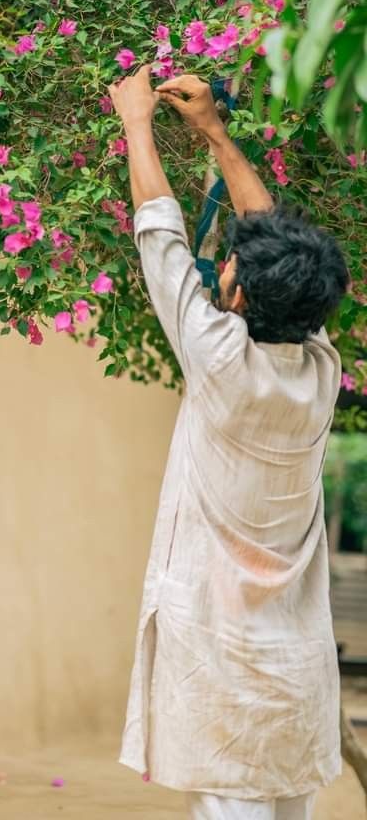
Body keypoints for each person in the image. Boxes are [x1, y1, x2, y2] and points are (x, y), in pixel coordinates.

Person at [110, 69, 349, 820]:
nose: (229, 263)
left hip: (222, 665)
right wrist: (214, 132)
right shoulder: (319, 369)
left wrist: (136, 123)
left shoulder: (218, 356)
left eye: (235, 267)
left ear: (239, 295)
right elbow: (281, 254)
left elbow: (159, 232)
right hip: (295, 671)